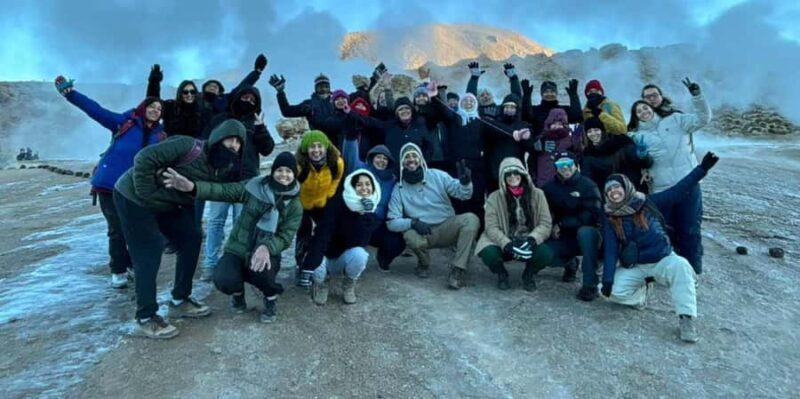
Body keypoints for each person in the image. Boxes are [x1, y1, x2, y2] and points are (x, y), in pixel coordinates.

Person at [113, 119, 246, 339]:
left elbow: (214, 190)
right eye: (229, 139)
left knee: (192, 237)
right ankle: (145, 317)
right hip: (133, 197)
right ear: (216, 138)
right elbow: (144, 158)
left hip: (167, 203)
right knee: (149, 249)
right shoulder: (188, 146)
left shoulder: (223, 166)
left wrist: (189, 188)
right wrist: (149, 197)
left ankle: (179, 300)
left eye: (238, 143)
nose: (233, 145)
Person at [55, 75, 165, 289]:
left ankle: (132, 264)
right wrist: (70, 94)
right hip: (109, 184)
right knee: (117, 228)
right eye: (151, 106)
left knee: (135, 228)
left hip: (135, 188)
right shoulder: (124, 123)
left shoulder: (160, 136)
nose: (155, 110)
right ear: (142, 108)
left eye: (159, 109)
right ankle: (118, 269)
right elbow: (95, 110)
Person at [599, 156, 717, 343]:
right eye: (609, 190)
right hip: (637, 266)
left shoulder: (647, 202)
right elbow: (611, 250)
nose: (613, 192)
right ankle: (641, 295)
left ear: (626, 187)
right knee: (610, 290)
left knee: (682, 267)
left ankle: (686, 318)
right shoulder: (610, 217)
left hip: (663, 259)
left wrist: (701, 169)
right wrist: (607, 280)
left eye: (616, 187)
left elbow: (678, 191)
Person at [627, 78, 711, 274]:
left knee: (690, 229)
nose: (649, 103)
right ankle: (671, 270)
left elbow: (703, 118)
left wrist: (697, 95)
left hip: (688, 183)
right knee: (667, 229)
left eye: (653, 96)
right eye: (646, 99)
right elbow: (629, 158)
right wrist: (642, 167)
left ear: (660, 97)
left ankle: (693, 271)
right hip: (662, 188)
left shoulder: (676, 119)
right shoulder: (636, 135)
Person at [197, 75, 276, 281]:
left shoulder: (255, 122)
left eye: (252, 100)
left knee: (241, 224)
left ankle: (237, 262)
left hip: (248, 183)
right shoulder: (221, 119)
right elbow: (205, 144)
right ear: (238, 97)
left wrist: (261, 129)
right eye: (245, 97)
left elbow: (267, 149)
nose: (248, 102)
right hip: (221, 180)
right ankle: (211, 264)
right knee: (215, 223)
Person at [209, 152, 302, 323]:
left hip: (267, 249)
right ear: (273, 172)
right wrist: (192, 188)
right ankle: (238, 293)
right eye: (279, 170)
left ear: (294, 175)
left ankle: (270, 297)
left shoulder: (295, 205)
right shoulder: (254, 187)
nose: (284, 175)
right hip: (239, 246)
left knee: (263, 273)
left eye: (288, 171)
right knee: (223, 278)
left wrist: (267, 247)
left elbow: (286, 237)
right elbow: (224, 190)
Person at [386, 143, 479, 289]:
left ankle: (458, 270)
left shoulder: (437, 175)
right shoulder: (399, 188)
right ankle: (424, 263)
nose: (411, 160)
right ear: (402, 162)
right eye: (407, 157)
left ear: (420, 158)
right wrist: (413, 223)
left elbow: (463, 194)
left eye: (414, 156)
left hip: (447, 226)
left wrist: (465, 183)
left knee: (471, 219)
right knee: (410, 236)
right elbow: (392, 222)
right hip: (424, 232)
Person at [304, 169, 382, 305]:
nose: (364, 188)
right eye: (359, 184)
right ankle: (322, 282)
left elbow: (362, 241)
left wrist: (366, 214)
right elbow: (323, 233)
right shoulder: (338, 202)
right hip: (326, 253)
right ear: (352, 186)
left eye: (368, 184)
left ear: (373, 186)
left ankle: (349, 282)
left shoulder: (371, 208)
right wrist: (311, 263)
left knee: (361, 255)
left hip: (344, 256)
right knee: (314, 262)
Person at [476, 157, 554, 291]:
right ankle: (501, 274)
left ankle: (529, 275)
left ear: (522, 174)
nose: (513, 177)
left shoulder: (538, 194)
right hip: (505, 239)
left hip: (528, 239)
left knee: (546, 254)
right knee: (488, 253)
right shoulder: (494, 198)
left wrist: (532, 239)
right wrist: (506, 243)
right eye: (508, 174)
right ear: (502, 178)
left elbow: (545, 223)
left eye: (516, 172)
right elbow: (491, 227)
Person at [542, 151, 603, 299]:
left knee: (585, 233)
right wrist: (551, 225)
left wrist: (562, 224)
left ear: (575, 165)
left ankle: (590, 284)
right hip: (564, 235)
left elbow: (591, 215)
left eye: (568, 164)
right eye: (560, 165)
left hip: (589, 234)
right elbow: (544, 211)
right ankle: (569, 263)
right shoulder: (549, 187)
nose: (565, 168)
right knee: (543, 253)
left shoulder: (588, 185)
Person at [342, 134, 405, 272]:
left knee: (396, 242)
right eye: (378, 157)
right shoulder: (361, 169)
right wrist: (350, 137)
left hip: (378, 223)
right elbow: (350, 156)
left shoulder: (392, 180)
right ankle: (349, 263)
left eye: (385, 159)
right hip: (357, 217)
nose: (381, 161)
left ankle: (383, 258)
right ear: (372, 158)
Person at [294, 131, 345, 287]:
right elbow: (290, 182)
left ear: (326, 147)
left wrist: (329, 195)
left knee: (325, 230)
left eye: (319, 146)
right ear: (305, 149)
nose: (316, 150)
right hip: (303, 202)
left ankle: (317, 262)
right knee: (303, 231)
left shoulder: (336, 162)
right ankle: (301, 264)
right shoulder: (299, 165)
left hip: (323, 201)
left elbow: (336, 180)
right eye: (312, 147)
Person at [429, 91, 487, 227]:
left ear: (475, 104)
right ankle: (459, 231)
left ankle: (479, 231)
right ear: (461, 104)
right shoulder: (455, 118)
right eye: (465, 101)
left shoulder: (480, 121)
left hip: (477, 167)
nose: (468, 103)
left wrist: (515, 134)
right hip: (457, 166)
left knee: (477, 199)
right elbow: (443, 110)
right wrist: (434, 96)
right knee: (458, 199)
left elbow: (496, 132)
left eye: (471, 101)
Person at [581, 117, 653, 193]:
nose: (593, 134)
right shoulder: (588, 154)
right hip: (613, 195)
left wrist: (642, 156)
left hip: (635, 189)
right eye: (589, 131)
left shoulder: (620, 141)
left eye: (596, 130)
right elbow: (589, 179)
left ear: (602, 130)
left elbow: (644, 163)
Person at [482, 93, 533, 193]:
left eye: (512, 107)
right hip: (495, 170)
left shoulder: (524, 125)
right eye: (506, 106)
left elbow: (529, 148)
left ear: (517, 109)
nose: (509, 109)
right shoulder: (494, 123)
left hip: (516, 170)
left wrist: (528, 139)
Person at [146, 65, 208, 138]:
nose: (189, 94)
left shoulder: (201, 111)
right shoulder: (171, 107)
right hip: (170, 146)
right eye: (185, 92)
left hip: (194, 147)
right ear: (180, 94)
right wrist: (154, 81)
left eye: (192, 92)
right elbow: (153, 101)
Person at [530, 108, 582, 187]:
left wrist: (577, 141)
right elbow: (531, 162)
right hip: (544, 184)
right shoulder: (540, 140)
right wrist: (535, 181)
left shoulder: (571, 140)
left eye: (560, 124)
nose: (557, 126)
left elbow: (578, 158)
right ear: (549, 124)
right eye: (554, 123)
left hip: (565, 184)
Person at [269, 73, 335, 134]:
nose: (323, 88)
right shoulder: (308, 104)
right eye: (320, 86)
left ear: (329, 88)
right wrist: (280, 92)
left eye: (326, 86)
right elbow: (287, 111)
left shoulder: (337, 102)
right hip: (319, 142)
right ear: (315, 88)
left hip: (340, 141)